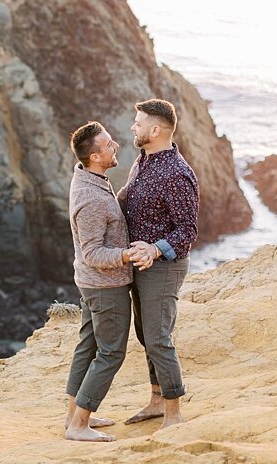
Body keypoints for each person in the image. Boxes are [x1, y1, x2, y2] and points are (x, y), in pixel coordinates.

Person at [63, 121, 154, 442]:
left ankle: (74, 415)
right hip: (104, 287)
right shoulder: (91, 198)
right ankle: (78, 425)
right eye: (109, 144)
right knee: (111, 353)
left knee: (88, 346)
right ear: (95, 157)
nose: (116, 146)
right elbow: (92, 253)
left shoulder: (90, 178)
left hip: (92, 284)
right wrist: (128, 255)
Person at [119, 98, 199, 429]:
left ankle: (174, 414)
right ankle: (155, 401)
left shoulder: (177, 173)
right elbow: (124, 199)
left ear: (155, 130)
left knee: (158, 338)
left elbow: (188, 230)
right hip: (139, 264)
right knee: (144, 334)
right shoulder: (143, 161)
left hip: (163, 268)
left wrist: (154, 250)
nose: (132, 127)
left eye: (137, 123)